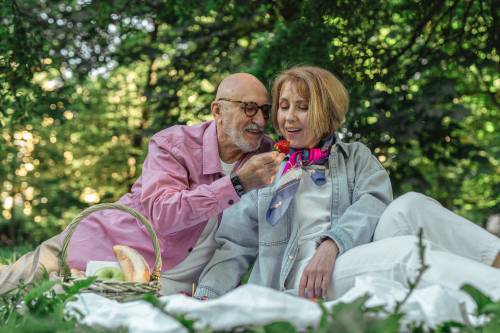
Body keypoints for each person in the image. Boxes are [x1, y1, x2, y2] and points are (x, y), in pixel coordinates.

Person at [194, 66, 500, 301]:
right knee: (407, 253)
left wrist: (332, 243)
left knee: (411, 205)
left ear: (326, 111)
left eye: (302, 106)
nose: (289, 117)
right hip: (301, 280)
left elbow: (374, 202)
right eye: (284, 105)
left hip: (350, 255)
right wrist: (203, 299)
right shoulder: (262, 171)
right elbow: (233, 247)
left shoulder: (354, 156)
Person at [0, 73, 285, 295]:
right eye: (248, 109)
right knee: (12, 288)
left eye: (264, 110)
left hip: (157, 283)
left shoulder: (266, 155)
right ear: (217, 111)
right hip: (102, 243)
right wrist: (236, 185)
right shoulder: (174, 144)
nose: (259, 120)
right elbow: (163, 214)